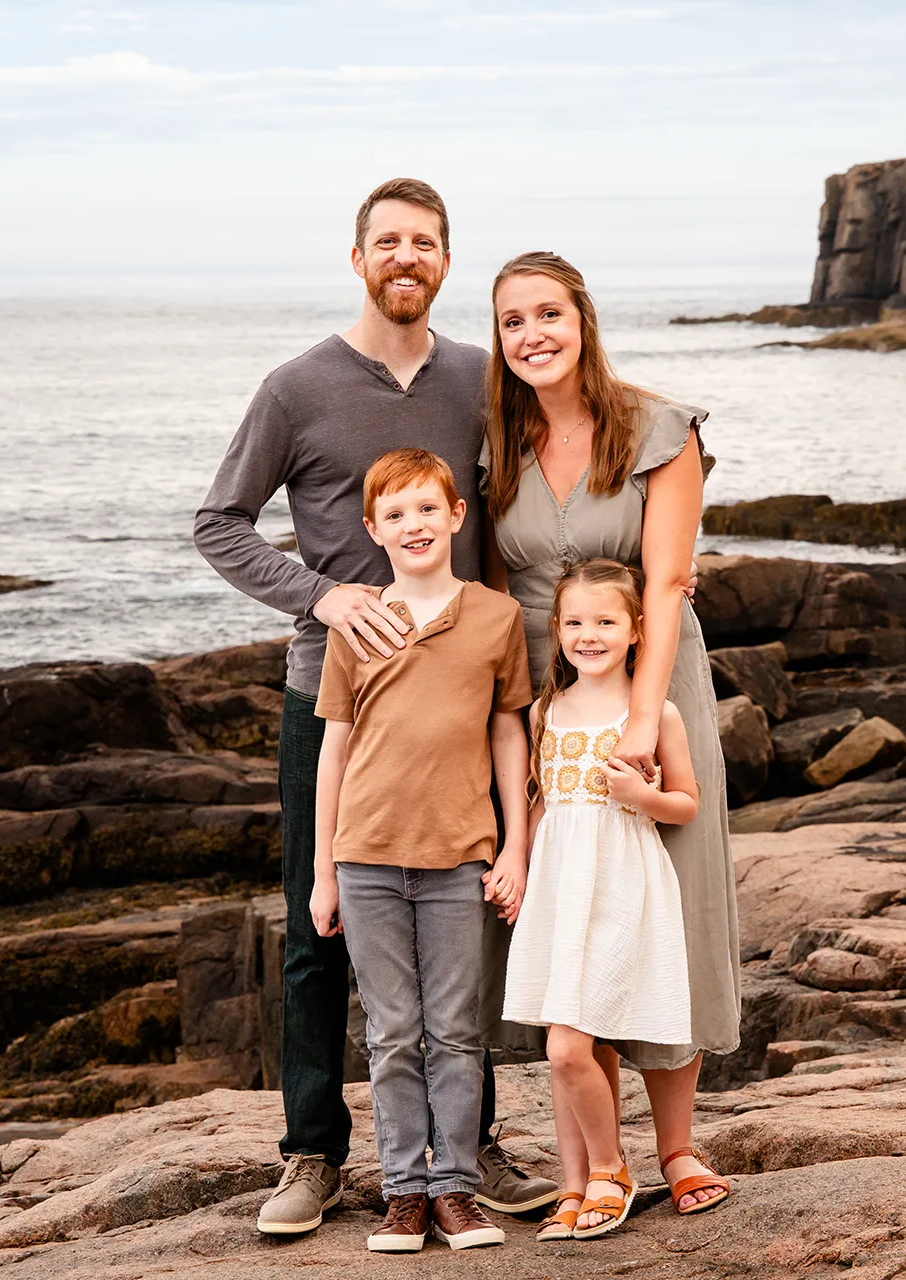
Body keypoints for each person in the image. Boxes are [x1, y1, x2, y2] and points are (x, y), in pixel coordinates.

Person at [193, 179, 558, 1237]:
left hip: (462, 705)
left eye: (426, 243)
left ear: (446, 262)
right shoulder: (297, 388)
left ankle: (469, 1143)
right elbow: (220, 523)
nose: (407, 256)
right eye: (388, 241)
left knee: (468, 925)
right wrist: (322, 593)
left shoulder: (483, 381)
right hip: (331, 700)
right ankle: (312, 1151)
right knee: (318, 929)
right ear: (358, 258)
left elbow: (528, 499)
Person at [480, 251, 738, 1219]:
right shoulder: (497, 441)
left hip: (649, 681)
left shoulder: (656, 428)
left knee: (677, 896)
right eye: (513, 321)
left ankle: (677, 1145)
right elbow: (499, 587)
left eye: (549, 313)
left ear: (583, 319)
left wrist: (639, 710)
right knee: (573, 907)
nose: (533, 334)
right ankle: (599, 1158)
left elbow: (668, 578)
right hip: (546, 696)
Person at [310, 448, 533, 1253]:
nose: (413, 526)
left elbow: (510, 733)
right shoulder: (358, 620)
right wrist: (321, 873)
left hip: (459, 860)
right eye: (395, 515)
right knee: (393, 1032)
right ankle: (403, 1192)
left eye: (426, 510)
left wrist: (517, 847)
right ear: (373, 529)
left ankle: (456, 1192)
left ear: (456, 517)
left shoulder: (495, 619)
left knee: (456, 1031)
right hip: (366, 858)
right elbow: (334, 748)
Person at [502, 559, 700, 1241]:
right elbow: (537, 799)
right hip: (561, 888)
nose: (589, 635)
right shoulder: (544, 710)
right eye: (576, 622)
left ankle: (612, 1167)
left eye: (606, 621)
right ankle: (574, 1182)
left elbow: (686, 804)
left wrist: (643, 798)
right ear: (556, 629)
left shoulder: (653, 714)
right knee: (566, 1040)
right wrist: (519, 867)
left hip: (621, 885)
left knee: (566, 1046)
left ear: (637, 629)